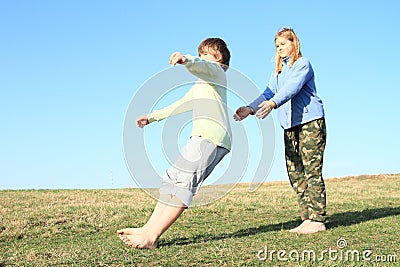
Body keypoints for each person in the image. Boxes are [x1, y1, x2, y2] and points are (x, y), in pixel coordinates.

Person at [118, 38, 231, 248]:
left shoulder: (217, 73)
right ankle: (148, 228)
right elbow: (180, 104)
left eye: (205, 54)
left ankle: (152, 236)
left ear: (219, 59)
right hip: (200, 136)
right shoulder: (202, 83)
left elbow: (203, 65)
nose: (201, 57)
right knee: (171, 180)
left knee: (183, 185)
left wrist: (187, 59)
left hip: (211, 136)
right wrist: (152, 117)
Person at [234, 27, 327, 234]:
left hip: (310, 122)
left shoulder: (302, 64)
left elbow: (291, 88)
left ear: (294, 43)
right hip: (289, 126)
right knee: (295, 172)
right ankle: (307, 218)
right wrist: (250, 108)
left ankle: (317, 219)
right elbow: (268, 92)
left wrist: (273, 104)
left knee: (312, 171)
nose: (280, 48)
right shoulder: (278, 71)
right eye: (277, 46)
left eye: (283, 44)